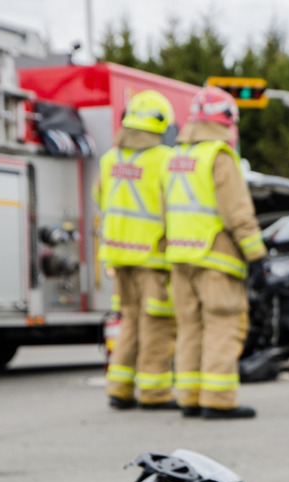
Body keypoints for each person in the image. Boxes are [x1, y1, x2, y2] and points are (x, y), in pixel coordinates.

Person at [164, 86, 267, 420]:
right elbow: (237, 212)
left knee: (190, 328)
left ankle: (190, 397)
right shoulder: (219, 156)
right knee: (223, 325)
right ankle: (218, 399)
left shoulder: (177, 157)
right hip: (216, 259)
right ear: (227, 120)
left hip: (180, 259)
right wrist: (256, 257)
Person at [95, 90, 177, 410]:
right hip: (152, 257)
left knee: (129, 322)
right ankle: (155, 393)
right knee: (157, 325)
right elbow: (173, 208)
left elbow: (99, 198)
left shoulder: (109, 159)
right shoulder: (163, 160)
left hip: (118, 255)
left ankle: (119, 389)